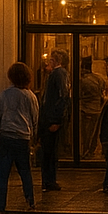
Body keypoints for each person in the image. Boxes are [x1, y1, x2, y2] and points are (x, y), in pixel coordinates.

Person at [0, 61, 39, 214]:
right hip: (22, 138)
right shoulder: (30, 97)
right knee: (25, 172)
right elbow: (35, 119)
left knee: (2, 176)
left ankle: (0, 213)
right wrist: (33, 138)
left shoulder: (3, 95)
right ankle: (30, 202)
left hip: (5, 136)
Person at [38, 49, 70, 192]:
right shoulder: (54, 75)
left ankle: (49, 180)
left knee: (50, 152)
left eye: (51, 60)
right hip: (49, 118)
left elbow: (63, 97)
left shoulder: (59, 74)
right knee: (48, 152)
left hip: (51, 119)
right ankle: (48, 180)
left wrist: (56, 120)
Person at [79, 57, 106, 159]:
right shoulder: (99, 79)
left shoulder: (82, 80)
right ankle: (91, 151)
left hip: (85, 109)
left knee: (85, 134)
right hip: (96, 109)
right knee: (94, 133)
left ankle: (85, 151)